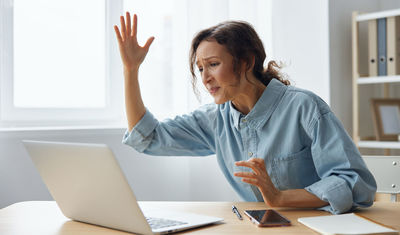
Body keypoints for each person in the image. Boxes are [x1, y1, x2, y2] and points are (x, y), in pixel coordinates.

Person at [114, 12, 376, 214]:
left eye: (213, 64)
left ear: (247, 62)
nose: (205, 78)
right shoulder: (215, 119)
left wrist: (281, 198)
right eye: (200, 68)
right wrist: (130, 70)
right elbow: (148, 137)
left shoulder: (304, 108)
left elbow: (356, 183)